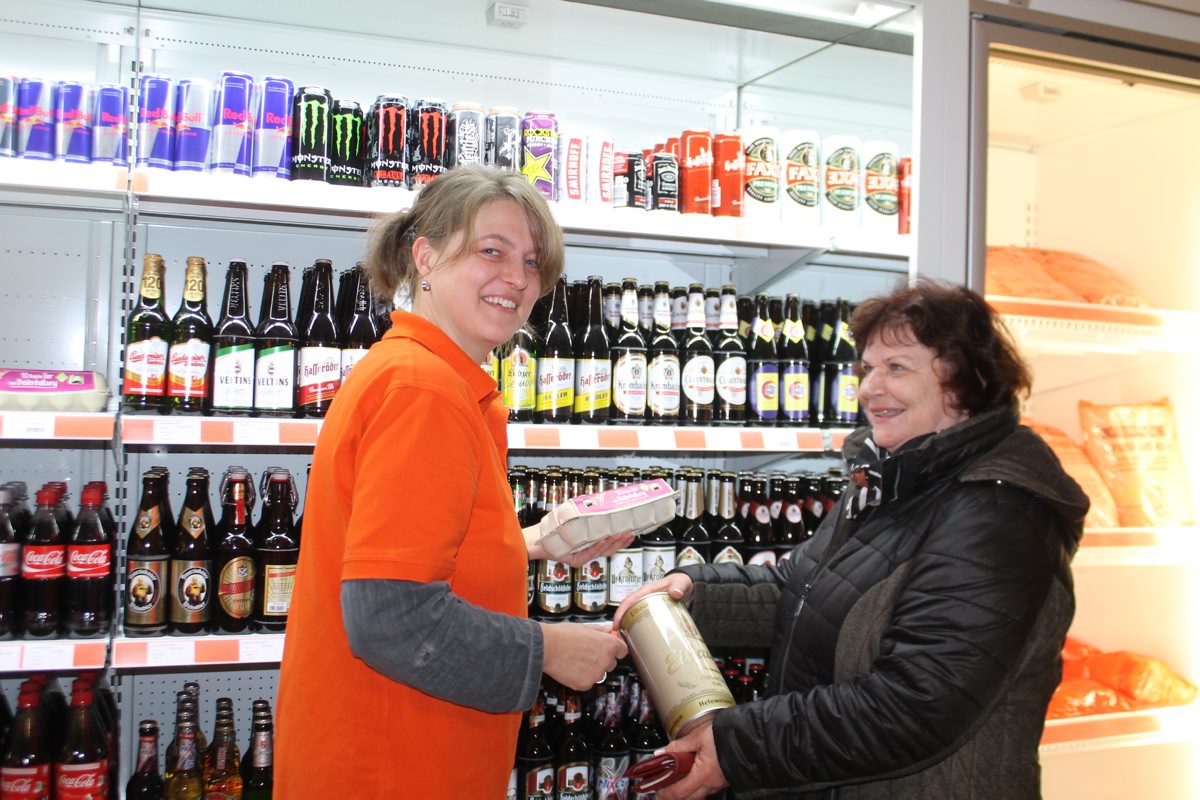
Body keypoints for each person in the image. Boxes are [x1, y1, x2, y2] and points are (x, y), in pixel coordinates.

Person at [616, 280, 1087, 799]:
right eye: (867, 368)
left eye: (897, 368)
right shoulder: (894, 478)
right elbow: (805, 590)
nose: (869, 388)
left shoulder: (997, 514)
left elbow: (916, 705)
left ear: (964, 384)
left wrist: (738, 747)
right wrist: (693, 591)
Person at [275, 166, 629, 798]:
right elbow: (391, 618)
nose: (517, 279)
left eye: (532, 261)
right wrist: (546, 648)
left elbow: (399, 558)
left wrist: (528, 543)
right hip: (396, 769)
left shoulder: (428, 377)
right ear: (426, 257)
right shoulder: (424, 391)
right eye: (491, 251)